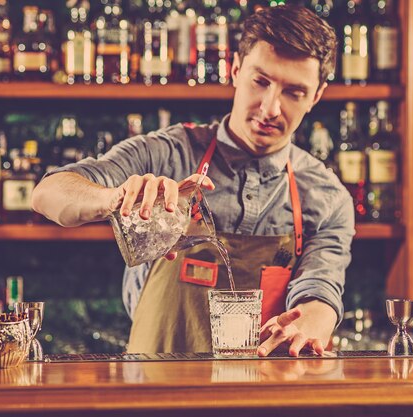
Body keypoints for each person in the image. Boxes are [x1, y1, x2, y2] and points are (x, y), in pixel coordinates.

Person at [32, 5, 354, 357]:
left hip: (262, 398)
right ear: (234, 69)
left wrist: (307, 324)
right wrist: (116, 198)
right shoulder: (167, 153)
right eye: (260, 82)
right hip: (154, 394)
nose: (270, 108)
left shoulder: (326, 195)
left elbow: (321, 289)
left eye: (294, 92)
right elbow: (48, 194)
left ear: (317, 95)